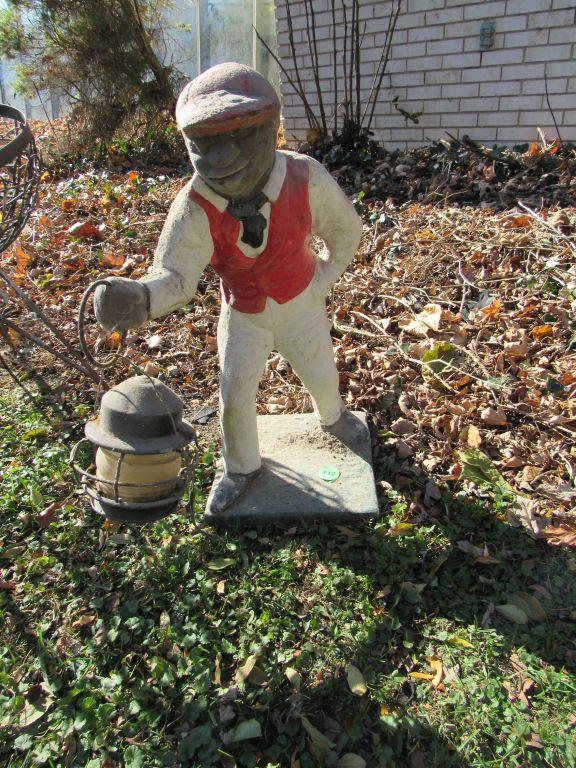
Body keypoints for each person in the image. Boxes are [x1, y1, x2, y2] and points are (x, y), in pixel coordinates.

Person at [93, 62, 363, 515]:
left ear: (271, 128)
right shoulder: (193, 208)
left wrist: (321, 283)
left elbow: (346, 232)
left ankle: (335, 419)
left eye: (239, 135)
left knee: (320, 371)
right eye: (204, 143)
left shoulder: (304, 176)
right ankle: (241, 468)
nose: (221, 158)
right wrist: (140, 299)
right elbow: (177, 278)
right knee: (235, 393)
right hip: (243, 315)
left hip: (301, 301)